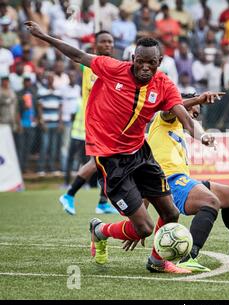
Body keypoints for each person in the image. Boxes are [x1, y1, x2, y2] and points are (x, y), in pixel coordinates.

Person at [24, 21, 216, 274]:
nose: (146, 67)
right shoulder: (112, 68)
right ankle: (99, 230)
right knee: (144, 229)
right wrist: (44, 36)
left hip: (140, 153)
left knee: (170, 213)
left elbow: (184, 116)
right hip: (111, 159)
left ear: (160, 62)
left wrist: (200, 136)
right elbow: (78, 54)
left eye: (152, 63)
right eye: (141, 61)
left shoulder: (164, 85)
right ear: (133, 58)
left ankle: (157, 262)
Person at [142, 93, 229, 272]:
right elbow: (171, 109)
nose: (192, 116)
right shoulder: (164, 119)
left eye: (196, 114)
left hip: (182, 180)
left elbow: (195, 127)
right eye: (190, 111)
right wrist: (198, 100)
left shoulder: (179, 130)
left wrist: (204, 137)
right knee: (211, 202)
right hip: (168, 181)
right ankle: (188, 257)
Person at [59, 31, 118, 215]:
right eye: (103, 41)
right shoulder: (90, 67)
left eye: (110, 41)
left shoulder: (114, 66)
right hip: (95, 123)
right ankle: (69, 194)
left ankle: (102, 202)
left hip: (108, 124)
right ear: (95, 46)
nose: (108, 44)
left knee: (110, 162)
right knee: (97, 162)